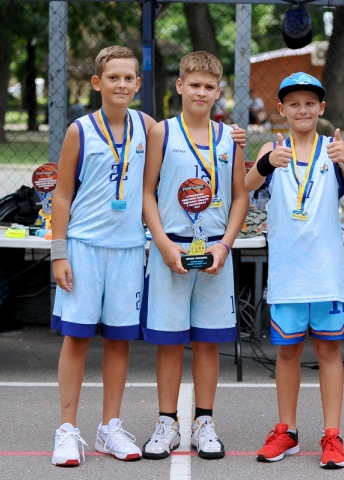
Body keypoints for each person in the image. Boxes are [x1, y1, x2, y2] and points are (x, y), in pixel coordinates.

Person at [245, 72, 344, 469]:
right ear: (282, 109)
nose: (303, 110)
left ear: (321, 108)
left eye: (310, 103)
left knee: (329, 352)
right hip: (287, 275)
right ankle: (287, 430)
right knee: (287, 353)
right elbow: (246, 185)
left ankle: (332, 434)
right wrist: (265, 162)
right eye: (294, 104)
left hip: (326, 273)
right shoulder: (274, 148)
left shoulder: (333, 150)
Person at [50, 46, 156, 467]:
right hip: (84, 248)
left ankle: (109, 427)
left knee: (118, 339)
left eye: (129, 78)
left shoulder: (147, 126)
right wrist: (59, 253)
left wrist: (231, 135)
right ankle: (66, 429)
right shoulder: (79, 130)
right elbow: (61, 196)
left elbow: (190, 133)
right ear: (97, 83)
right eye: (113, 77)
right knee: (77, 337)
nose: (121, 84)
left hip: (128, 249)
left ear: (138, 83)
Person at [140, 51, 249, 461]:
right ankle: (167, 422)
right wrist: (162, 244)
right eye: (195, 85)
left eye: (209, 86)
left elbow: (241, 196)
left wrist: (226, 245)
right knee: (170, 343)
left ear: (219, 92)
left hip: (215, 249)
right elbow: (147, 192)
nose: (201, 92)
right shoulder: (162, 132)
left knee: (207, 341)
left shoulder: (230, 138)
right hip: (172, 246)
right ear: (180, 86)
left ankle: (204, 422)